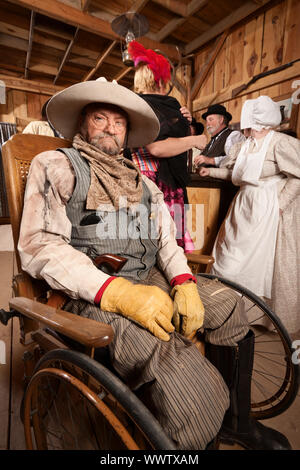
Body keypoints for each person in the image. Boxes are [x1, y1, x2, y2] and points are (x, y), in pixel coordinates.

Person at [18, 78, 291, 450]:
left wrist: (183, 281)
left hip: (149, 273)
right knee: (189, 385)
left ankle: (237, 424)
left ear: (128, 132)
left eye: (118, 123)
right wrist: (114, 292)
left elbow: (165, 239)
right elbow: (40, 245)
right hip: (92, 290)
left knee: (229, 307)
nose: (110, 128)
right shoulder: (55, 165)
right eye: (100, 119)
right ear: (83, 123)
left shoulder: (142, 182)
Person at [199, 95, 300, 334]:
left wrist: (280, 204)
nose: (246, 127)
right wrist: (210, 173)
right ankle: (226, 308)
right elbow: (236, 176)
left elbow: (298, 175)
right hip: (243, 206)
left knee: (257, 264)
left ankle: (256, 315)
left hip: (267, 208)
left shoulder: (280, 143)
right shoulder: (244, 145)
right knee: (228, 257)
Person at [126, 41, 207, 252]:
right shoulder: (156, 106)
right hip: (157, 187)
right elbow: (157, 148)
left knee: (149, 244)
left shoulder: (137, 105)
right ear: (160, 80)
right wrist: (195, 139)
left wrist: (181, 120)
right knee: (162, 246)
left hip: (142, 184)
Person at [194, 103, 245, 169]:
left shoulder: (234, 135)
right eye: (206, 121)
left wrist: (211, 160)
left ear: (221, 120)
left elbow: (234, 159)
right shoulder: (212, 141)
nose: (207, 124)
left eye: (210, 120)